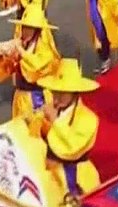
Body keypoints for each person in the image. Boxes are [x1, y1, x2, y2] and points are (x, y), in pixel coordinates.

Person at [31, 59, 102, 199]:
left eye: (63, 93)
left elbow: (71, 149)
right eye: (55, 92)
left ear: (74, 93)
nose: (57, 97)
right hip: (50, 175)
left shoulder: (89, 119)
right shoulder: (48, 111)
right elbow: (32, 140)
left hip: (75, 175)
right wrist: (36, 120)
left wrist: (54, 122)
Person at [0, 4, 62, 119]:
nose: (25, 30)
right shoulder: (24, 43)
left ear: (37, 30)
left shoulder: (45, 51)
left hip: (36, 98)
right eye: (24, 27)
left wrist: (21, 51)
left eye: (29, 27)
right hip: (21, 97)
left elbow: (34, 69)